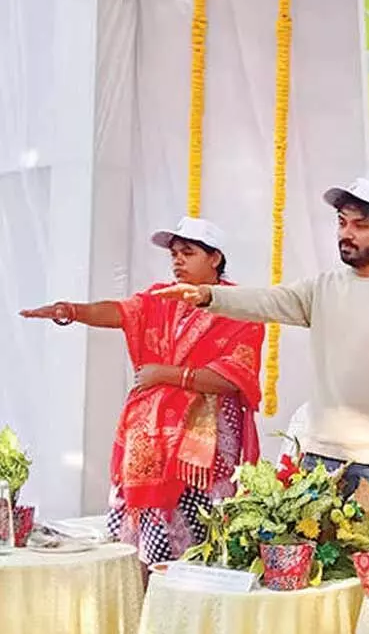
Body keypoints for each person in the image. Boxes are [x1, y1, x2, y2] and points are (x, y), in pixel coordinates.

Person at [154, 179, 369, 512]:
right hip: (319, 458)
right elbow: (265, 300)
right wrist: (208, 295)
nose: (346, 234)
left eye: (360, 225)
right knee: (310, 547)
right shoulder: (323, 288)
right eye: (342, 223)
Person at [20, 217, 264, 567]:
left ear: (215, 258)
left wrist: (166, 374)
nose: (177, 260)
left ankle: (184, 587)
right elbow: (119, 312)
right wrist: (70, 311)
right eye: (174, 254)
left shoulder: (240, 306)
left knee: (196, 539)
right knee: (139, 544)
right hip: (149, 438)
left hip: (202, 444)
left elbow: (235, 376)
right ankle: (140, 588)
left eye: (188, 252)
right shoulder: (160, 297)